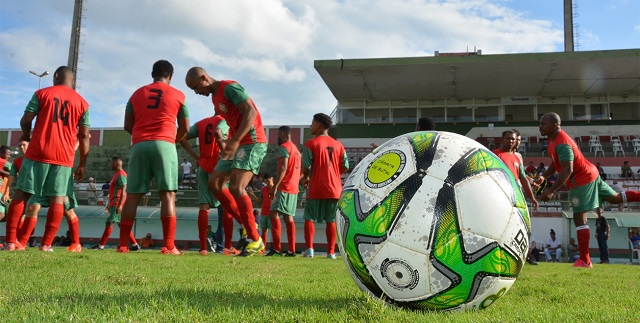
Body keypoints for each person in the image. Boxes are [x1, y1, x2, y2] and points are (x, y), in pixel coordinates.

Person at [535, 112, 640, 268]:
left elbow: (567, 170)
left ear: (555, 125)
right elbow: (556, 162)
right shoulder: (553, 140)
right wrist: (544, 176)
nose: (540, 126)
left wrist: (551, 191)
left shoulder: (562, 143)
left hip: (582, 180)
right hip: (590, 173)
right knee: (616, 198)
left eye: (543, 123)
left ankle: (585, 260)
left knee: (579, 217)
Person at [3, 66, 90, 252]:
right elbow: (84, 137)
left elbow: (26, 120)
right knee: (58, 200)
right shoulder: (83, 103)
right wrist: (82, 164)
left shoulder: (42, 93)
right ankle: (46, 245)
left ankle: (10, 242)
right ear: (73, 81)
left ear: (56, 76)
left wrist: (26, 136)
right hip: (64, 157)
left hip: (38, 152)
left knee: (22, 195)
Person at [185, 66, 268, 257]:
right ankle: (250, 227)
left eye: (196, 87)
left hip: (252, 142)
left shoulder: (230, 87)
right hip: (236, 144)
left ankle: (254, 238)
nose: (197, 92)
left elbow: (251, 113)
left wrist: (235, 140)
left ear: (204, 78)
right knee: (214, 183)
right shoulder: (215, 97)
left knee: (236, 187)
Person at [118, 60, 189, 255]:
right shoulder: (178, 95)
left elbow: (127, 124)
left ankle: (123, 245)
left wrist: (141, 136)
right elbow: (185, 127)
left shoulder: (136, 94)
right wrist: (172, 140)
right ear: (171, 76)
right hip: (165, 144)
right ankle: (168, 246)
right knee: (167, 195)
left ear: (152, 74)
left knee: (132, 196)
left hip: (139, 145)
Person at [179, 114, 239, 256]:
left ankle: (203, 248)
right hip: (219, 167)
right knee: (227, 206)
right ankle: (228, 247)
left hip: (203, 166)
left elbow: (182, 137)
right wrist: (227, 155)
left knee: (204, 207)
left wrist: (196, 157)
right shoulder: (225, 121)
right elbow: (219, 134)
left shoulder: (201, 123)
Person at [300, 113, 349, 259]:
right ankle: (331, 253)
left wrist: (307, 177)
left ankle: (309, 250)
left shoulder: (310, 143)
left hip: (317, 185)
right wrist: (333, 173)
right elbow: (345, 166)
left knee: (309, 217)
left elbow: (306, 166)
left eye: (312, 123)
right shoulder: (339, 145)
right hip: (334, 188)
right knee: (331, 220)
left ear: (319, 125)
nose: (310, 126)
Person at [267, 126, 302, 257]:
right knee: (288, 217)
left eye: (277, 135)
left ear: (282, 134)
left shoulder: (284, 147)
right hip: (294, 188)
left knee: (273, 214)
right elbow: (301, 170)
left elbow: (283, 168)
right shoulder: (297, 151)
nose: (277, 138)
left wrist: (274, 186)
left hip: (284, 187)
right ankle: (291, 250)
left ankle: (276, 249)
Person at [92, 156, 140, 251]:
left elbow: (124, 190)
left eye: (111, 163)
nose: (110, 165)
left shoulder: (121, 174)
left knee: (110, 222)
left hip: (117, 202)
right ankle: (135, 245)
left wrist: (121, 205)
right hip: (114, 202)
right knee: (122, 225)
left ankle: (101, 245)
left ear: (115, 163)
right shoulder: (117, 174)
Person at [492, 130, 538, 210]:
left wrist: (532, 198)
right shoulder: (494, 154)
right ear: (502, 140)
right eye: (508, 138)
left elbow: (523, 178)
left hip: (514, 194)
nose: (510, 141)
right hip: (499, 194)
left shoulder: (517, 158)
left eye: (513, 139)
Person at [248, 173, 273, 255]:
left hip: (272, 212)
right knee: (264, 231)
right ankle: (263, 249)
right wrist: (253, 194)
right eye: (266, 182)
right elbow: (259, 201)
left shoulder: (276, 188)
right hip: (264, 212)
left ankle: (276, 249)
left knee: (274, 230)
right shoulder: (263, 189)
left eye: (268, 181)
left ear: (272, 179)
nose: (267, 183)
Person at [0, 145, 12, 224]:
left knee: (3, 214)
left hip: (3, 189)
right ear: (1, 153)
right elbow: (14, 171)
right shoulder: (4, 162)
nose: (9, 156)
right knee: (2, 214)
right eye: (7, 154)